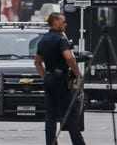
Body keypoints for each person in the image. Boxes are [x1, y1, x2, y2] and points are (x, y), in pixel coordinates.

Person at [35, 12, 86, 145]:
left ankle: (51, 143)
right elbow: (69, 57)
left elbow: (37, 62)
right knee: (70, 114)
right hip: (61, 80)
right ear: (55, 22)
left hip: (49, 79)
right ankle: (78, 143)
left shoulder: (43, 39)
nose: (65, 24)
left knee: (50, 116)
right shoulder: (61, 39)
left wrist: (44, 76)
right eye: (63, 22)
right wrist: (77, 73)